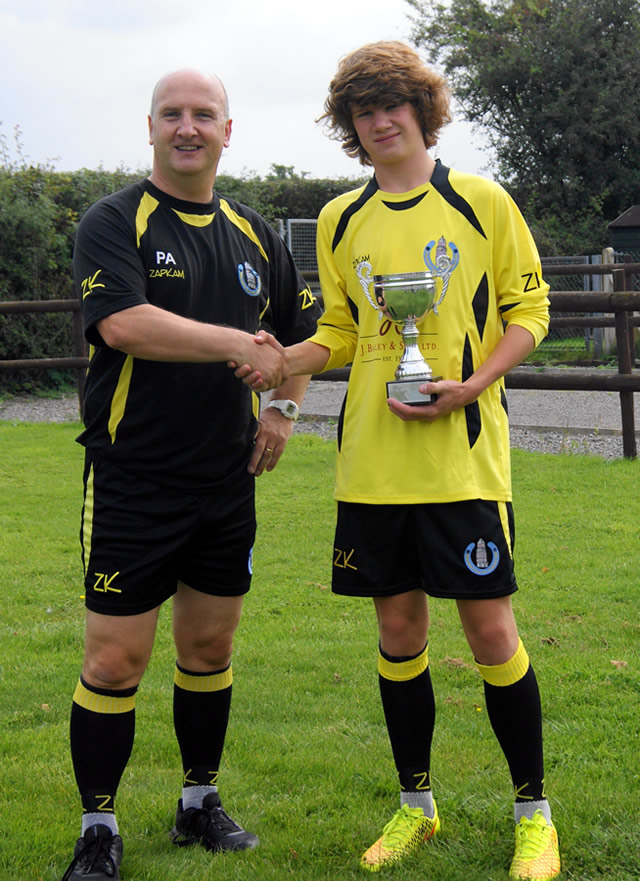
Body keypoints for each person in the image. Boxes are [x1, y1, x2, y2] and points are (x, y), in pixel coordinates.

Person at [237, 40, 560, 880]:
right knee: (397, 629)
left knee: (491, 632)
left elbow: (531, 307)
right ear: (350, 126)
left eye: (393, 106)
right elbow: (342, 332)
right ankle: (416, 804)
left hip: (463, 461)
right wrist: (281, 359)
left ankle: (535, 815)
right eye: (362, 111)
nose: (380, 121)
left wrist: (471, 383)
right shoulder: (343, 219)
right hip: (373, 468)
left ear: (423, 111)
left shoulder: (482, 201)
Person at [61, 69, 321, 881]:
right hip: (135, 477)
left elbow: (302, 330)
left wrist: (282, 409)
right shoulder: (114, 219)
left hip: (224, 479)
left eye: (203, 114)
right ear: (149, 128)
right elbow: (123, 322)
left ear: (227, 131)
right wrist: (237, 343)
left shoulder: (252, 231)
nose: (187, 127)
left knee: (209, 645)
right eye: (172, 114)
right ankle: (98, 826)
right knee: (114, 661)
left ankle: (198, 801)